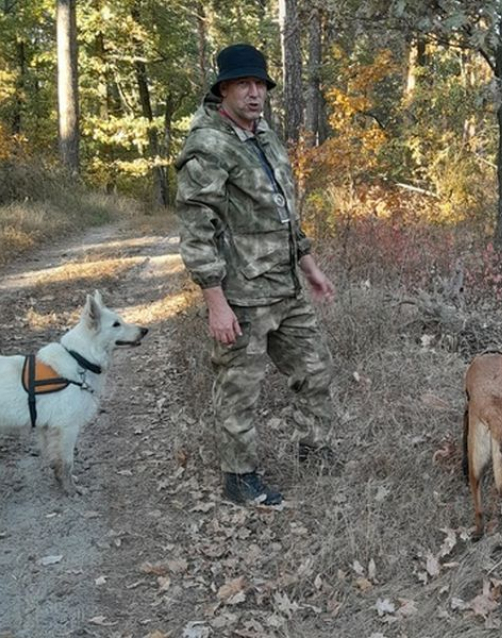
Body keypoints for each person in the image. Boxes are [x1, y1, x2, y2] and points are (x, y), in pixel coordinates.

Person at [175, 43, 338, 505]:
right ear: (224, 88)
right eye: (244, 84)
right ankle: (239, 478)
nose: (255, 93)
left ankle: (317, 449)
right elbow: (195, 228)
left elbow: (282, 212)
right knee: (239, 391)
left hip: (284, 287)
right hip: (242, 296)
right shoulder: (208, 146)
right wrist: (216, 302)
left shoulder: (263, 134)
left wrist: (310, 267)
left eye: (260, 84)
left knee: (316, 369)